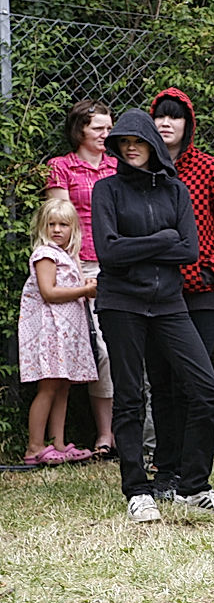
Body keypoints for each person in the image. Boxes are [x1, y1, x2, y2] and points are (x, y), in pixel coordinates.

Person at [92, 109, 214, 523]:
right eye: (122, 143)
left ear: (153, 145)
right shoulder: (107, 190)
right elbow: (108, 253)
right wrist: (161, 239)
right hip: (122, 303)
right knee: (131, 396)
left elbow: (188, 251)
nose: (130, 148)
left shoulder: (177, 191)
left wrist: (142, 244)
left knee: (206, 390)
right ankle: (138, 489)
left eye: (137, 142)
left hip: (170, 303)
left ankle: (193, 485)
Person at [147, 88, 214, 491]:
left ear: (188, 124)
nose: (166, 124)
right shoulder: (142, 168)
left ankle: (194, 476)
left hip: (203, 294)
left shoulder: (208, 168)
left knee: (196, 382)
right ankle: (165, 472)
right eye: (159, 117)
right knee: (162, 383)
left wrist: (209, 272)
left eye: (174, 117)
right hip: (155, 294)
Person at [45, 99, 116, 457]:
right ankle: (105, 434)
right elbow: (60, 221)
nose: (107, 134)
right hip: (80, 267)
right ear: (80, 131)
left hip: (117, 264)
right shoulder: (61, 168)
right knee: (98, 349)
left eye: (109, 127)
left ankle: (122, 434)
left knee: (123, 345)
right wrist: (70, 270)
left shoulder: (118, 166)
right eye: (98, 128)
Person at [19, 199, 98, 466]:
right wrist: (85, 291)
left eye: (63, 224)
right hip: (50, 333)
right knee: (49, 386)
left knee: (63, 386)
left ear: (73, 228)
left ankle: (59, 443)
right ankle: (34, 446)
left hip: (65, 333)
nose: (56, 229)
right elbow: (49, 292)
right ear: (43, 226)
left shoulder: (67, 256)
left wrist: (84, 283)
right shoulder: (45, 254)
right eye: (51, 224)